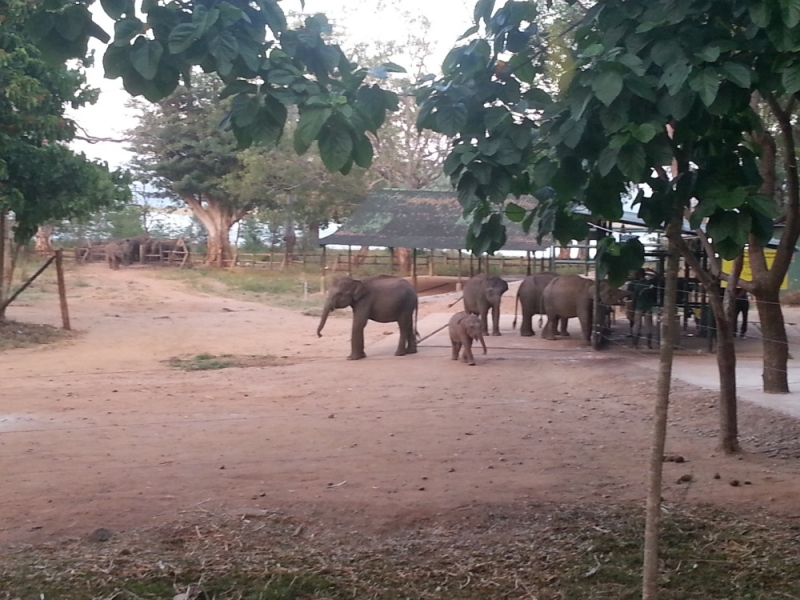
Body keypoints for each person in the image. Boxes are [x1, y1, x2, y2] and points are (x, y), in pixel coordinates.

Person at [627, 269, 658, 349]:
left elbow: (631, 295)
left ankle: (634, 344)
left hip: (638, 306)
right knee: (648, 325)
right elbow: (658, 277)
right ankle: (649, 344)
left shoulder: (634, 284)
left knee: (637, 325)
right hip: (648, 306)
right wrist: (651, 271)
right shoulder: (649, 283)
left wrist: (632, 305)